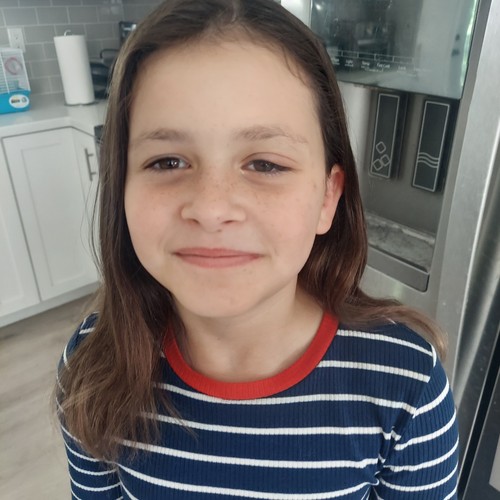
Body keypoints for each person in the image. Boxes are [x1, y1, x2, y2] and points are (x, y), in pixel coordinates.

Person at [56, 0, 459, 498]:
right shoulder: (93, 362)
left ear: (327, 198)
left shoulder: (406, 386)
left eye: (265, 164)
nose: (211, 209)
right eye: (167, 162)